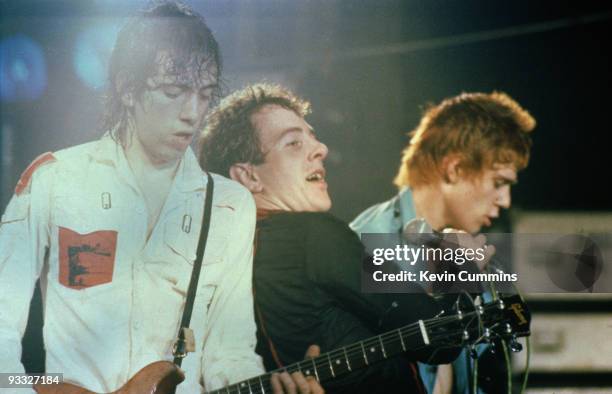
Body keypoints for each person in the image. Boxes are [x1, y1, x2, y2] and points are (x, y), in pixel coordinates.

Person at [0, 3, 320, 393]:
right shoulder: (55, 180)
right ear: (127, 87)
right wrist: (41, 387)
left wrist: (268, 387)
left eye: (204, 95)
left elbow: (230, 354)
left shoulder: (228, 204)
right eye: (173, 92)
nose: (192, 113)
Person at [199, 83, 460, 394]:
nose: (321, 149)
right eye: (294, 143)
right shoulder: (316, 234)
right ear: (248, 175)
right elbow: (443, 338)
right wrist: (459, 265)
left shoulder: (231, 254)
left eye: (313, 136)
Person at [350, 91, 536, 394]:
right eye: (499, 183)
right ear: (455, 169)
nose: (505, 200)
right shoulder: (365, 245)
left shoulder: (464, 252)